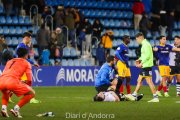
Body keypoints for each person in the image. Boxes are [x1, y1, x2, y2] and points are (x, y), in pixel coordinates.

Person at [0, 48, 35, 118]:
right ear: (26, 55)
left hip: (1, 81)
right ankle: (16, 109)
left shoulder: (10, 61)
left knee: (6, 93)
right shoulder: (27, 63)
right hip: (12, 82)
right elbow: (29, 80)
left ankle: (3, 109)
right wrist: (28, 87)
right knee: (32, 93)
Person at [132, 32, 159, 102]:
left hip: (146, 66)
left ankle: (155, 97)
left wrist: (141, 63)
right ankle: (134, 94)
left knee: (149, 81)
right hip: (145, 65)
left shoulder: (146, 45)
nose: (137, 41)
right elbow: (145, 55)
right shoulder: (145, 44)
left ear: (140, 38)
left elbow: (148, 56)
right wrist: (139, 59)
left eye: (137, 39)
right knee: (139, 80)